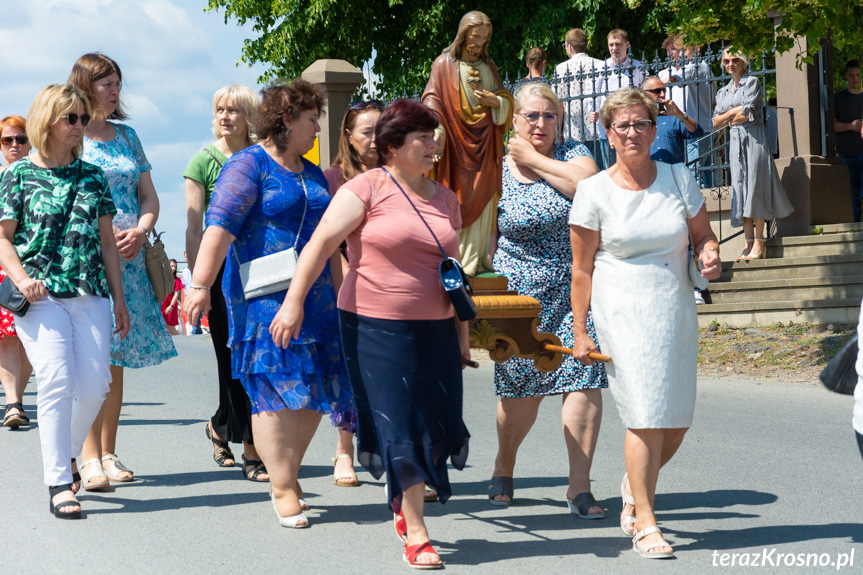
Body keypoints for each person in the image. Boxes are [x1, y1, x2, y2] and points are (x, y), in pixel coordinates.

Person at [277, 99, 470, 568]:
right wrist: (293, 302)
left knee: (434, 422)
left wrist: (462, 333)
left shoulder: (446, 198)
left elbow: (453, 270)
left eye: (433, 136)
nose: (432, 145)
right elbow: (320, 244)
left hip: (438, 327)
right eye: (422, 137)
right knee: (399, 421)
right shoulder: (366, 187)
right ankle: (418, 530)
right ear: (392, 146)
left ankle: (407, 504)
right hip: (374, 326)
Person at [184, 80, 354, 529]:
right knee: (274, 393)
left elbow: (331, 241)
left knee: (313, 391)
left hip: (317, 299)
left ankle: (286, 471)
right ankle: (282, 485)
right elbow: (218, 228)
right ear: (286, 122)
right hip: (263, 298)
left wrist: (345, 297)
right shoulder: (247, 165)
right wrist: (199, 284)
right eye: (311, 119)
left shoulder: (313, 172)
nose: (318, 127)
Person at [569, 87, 722, 557]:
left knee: (675, 422)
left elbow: (703, 237)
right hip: (620, 308)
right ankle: (646, 522)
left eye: (641, 124)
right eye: (623, 125)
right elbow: (581, 268)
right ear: (608, 133)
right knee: (645, 414)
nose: (633, 132)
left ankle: (634, 486)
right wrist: (579, 330)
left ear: (655, 131)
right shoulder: (593, 191)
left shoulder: (677, 177)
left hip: (673, 306)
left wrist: (710, 255)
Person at [0, 83, 130, 518]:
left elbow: (108, 243)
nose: (79, 126)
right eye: (70, 118)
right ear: (47, 121)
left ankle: (70, 454)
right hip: (39, 296)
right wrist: (21, 279)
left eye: (82, 118)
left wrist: (120, 299)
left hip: (88, 290)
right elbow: (3, 238)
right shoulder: (16, 175)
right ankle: (58, 482)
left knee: (95, 385)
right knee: (56, 379)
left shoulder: (93, 176)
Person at [486, 83, 608, 515]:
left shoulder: (575, 152)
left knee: (584, 378)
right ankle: (505, 464)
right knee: (520, 393)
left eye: (549, 115)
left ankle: (579, 486)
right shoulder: (496, 170)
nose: (541, 123)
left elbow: (589, 188)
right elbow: (487, 237)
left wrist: (534, 159)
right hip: (520, 297)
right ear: (513, 120)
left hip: (576, 288)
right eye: (531, 116)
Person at [68, 53, 177, 489]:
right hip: (89, 259)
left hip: (130, 261)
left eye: (117, 83)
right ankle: (87, 456)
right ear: (85, 86)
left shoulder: (128, 137)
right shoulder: (71, 135)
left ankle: (108, 452)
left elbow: (148, 196)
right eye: (106, 84)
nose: (115, 91)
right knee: (90, 358)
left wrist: (142, 229)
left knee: (115, 360)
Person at [184, 85, 267, 480]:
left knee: (253, 360)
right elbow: (193, 228)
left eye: (233, 109)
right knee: (230, 360)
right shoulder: (203, 161)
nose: (225, 116)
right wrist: (199, 281)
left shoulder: (261, 157)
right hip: (218, 275)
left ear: (250, 115)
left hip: (260, 274)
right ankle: (252, 448)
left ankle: (220, 425)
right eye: (219, 109)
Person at [422, 10, 514, 276]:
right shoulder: (444, 64)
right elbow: (431, 99)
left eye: (484, 39)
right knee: (456, 199)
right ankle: (457, 259)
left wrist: (496, 102)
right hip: (455, 146)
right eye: (475, 37)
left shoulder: (489, 66)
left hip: (486, 147)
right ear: (463, 36)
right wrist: (437, 130)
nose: (479, 44)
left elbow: (507, 100)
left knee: (485, 201)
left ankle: (478, 260)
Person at [322, 99, 384, 489]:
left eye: (382, 130)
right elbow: (329, 241)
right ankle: (345, 450)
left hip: (392, 286)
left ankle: (400, 455)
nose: (376, 139)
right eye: (367, 131)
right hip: (347, 284)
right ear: (348, 134)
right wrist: (350, 279)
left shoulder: (398, 173)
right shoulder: (333, 179)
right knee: (350, 371)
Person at [713, 49, 794, 261]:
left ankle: (760, 242)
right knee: (740, 189)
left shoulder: (752, 83)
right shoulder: (722, 92)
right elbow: (715, 123)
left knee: (756, 187)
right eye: (726, 60)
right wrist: (734, 113)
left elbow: (746, 115)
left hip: (755, 140)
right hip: (736, 144)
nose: (730, 64)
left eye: (735, 59)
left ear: (744, 61)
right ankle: (747, 244)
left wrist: (728, 115)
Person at [0, 115, 34, 428]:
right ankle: (12, 402)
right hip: (2, 265)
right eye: (7, 140)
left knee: (29, 338)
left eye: (20, 139)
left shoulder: (40, 174)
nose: (14, 145)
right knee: (7, 337)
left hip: (36, 263)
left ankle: (18, 399)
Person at [658, 36, 716, 187]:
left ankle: (697, 209)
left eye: (680, 49)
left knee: (693, 174)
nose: (676, 53)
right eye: (670, 49)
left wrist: (651, 89)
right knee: (703, 173)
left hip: (698, 130)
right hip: (684, 130)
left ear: (696, 50)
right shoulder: (666, 72)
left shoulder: (697, 65)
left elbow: (674, 80)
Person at [587, 29, 645, 169]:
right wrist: (592, 111)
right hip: (608, 126)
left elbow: (645, 93)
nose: (614, 48)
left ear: (627, 44)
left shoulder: (637, 66)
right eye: (611, 44)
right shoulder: (601, 68)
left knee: (633, 165)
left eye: (618, 44)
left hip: (632, 126)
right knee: (612, 168)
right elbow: (592, 93)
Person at [554, 28, 603, 153]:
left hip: (572, 131)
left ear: (569, 46)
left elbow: (558, 104)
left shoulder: (561, 69)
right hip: (598, 129)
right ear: (585, 45)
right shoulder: (600, 65)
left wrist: (558, 133)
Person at [641, 77, 704, 164]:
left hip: (672, 174)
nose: (662, 94)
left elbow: (697, 131)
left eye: (664, 90)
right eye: (657, 91)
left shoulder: (674, 116)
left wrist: (679, 114)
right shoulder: (636, 120)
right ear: (644, 94)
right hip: (647, 174)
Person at [834, 60, 863, 222]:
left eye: (858, 75)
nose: (855, 78)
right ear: (846, 76)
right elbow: (832, 125)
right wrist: (851, 126)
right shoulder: (838, 98)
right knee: (853, 195)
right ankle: (858, 228)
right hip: (847, 153)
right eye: (851, 75)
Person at [181, 251, 202, 335]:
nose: (187, 258)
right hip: (189, 299)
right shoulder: (184, 272)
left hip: (198, 297)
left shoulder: (198, 269)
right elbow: (185, 288)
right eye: (186, 256)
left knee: (195, 320)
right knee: (195, 321)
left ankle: (194, 335)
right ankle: (198, 333)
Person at [160, 259, 182, 335]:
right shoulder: (161, 278)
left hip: (170, 305)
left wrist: (171, 306)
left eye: (174, 266)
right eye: (171, 266)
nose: (173, 268)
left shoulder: (177, 280)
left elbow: (176, 294)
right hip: (162, 304)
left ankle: (180, 343)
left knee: (170, 327)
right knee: (161, 326)